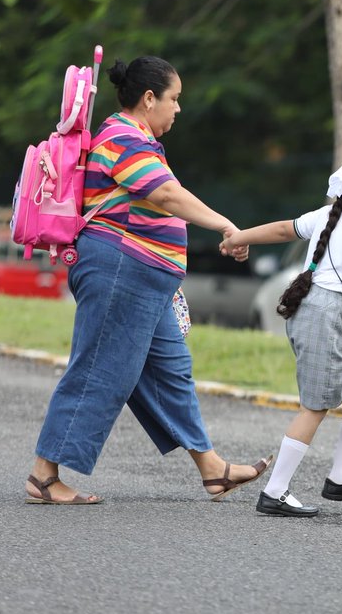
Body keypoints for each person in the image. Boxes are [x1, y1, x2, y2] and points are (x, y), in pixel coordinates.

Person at [24, 55, 269, 505]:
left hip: (143, 277)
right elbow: (165, 193)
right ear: (149, 98)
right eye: (174, 99)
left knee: (170, 371)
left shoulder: (134, 138)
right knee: (101, 368)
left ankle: (212, 469)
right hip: (120, 269)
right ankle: (44, 475)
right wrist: (225, 226)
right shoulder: (122, 136)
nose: (178, 109)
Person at [220, 152, 342, 518]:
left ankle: (339, 478)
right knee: (315, 407)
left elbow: (283, 229)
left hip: (320, 314)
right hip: (324, 318)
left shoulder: (334, 213)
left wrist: (238, 238)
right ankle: (274, 492)